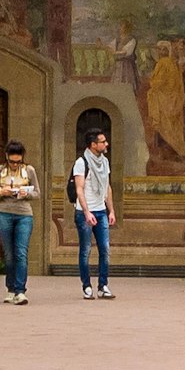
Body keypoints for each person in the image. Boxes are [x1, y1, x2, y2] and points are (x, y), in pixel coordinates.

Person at [0, 139, 39, 303]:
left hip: (24, 214)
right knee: (9, 254)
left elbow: (37, 193)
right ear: (6, 158)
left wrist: (27, 194)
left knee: (21, 252)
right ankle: (10, 288)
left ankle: (20, 290)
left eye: (18, 162)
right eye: (11, 162)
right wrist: (2, 192)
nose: (15, 165)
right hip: (4, 213)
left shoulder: (29, 170)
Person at [70, 122, 114, 297]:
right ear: (93, 145)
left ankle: (103, 285)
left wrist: (111, 210)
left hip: (101, 210)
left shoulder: (104, 162)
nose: (106, 144)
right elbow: (79, 188)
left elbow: (107, 186)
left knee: (105, 248)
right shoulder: (81, 162)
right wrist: (86, 212)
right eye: (102, 142)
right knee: (86, 249)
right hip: (84, 212)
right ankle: (86, 285)